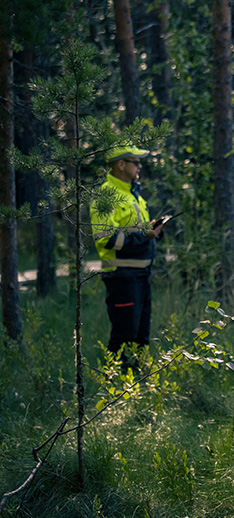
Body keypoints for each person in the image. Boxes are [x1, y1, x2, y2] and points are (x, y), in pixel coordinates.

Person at [90, 146, 165, 368]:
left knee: (141, 335)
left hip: (142, 274)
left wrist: (154, 231)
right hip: (121, 276)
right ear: (121, 165)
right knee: (124, 334)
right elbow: (107, 238)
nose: (140, 166)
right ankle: (113, 387)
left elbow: (137, 232)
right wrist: (145, 236)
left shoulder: (133, 194)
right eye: (135, 162)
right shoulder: (105, 195)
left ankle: (138, 387)